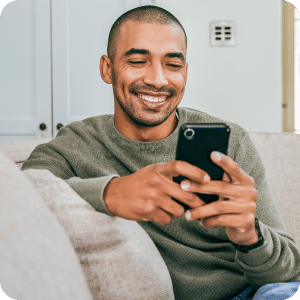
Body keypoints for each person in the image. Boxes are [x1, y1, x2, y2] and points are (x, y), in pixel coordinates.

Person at [21, 5, 300, 300]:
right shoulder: (76, 144)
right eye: (138, 61)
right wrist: (111, 193)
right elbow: (18, 196)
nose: (158, 80)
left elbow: (290, 273)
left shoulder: (233, 142)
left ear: (185, 72)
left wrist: (250, 237)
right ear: (107, 68)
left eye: (173, 65)